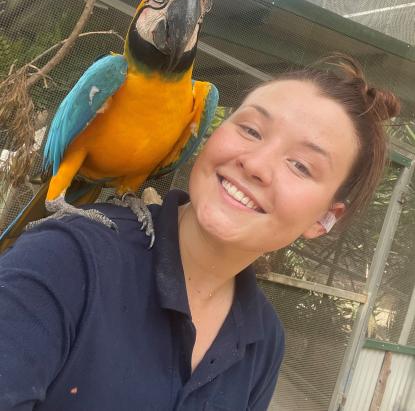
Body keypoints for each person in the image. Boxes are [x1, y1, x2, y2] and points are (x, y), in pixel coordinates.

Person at [0, 54, 400, 410]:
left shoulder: (264, 340)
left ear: (324, 219)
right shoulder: (65, 257)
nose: (255, 164)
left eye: (301, 166)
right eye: (251, 130)